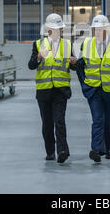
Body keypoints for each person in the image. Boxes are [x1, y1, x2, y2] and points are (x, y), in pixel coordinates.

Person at [76, 15, 110, 163]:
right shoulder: (86, 44)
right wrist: (84, 85)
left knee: (109, 120)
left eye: (101, 29)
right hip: (93, 90)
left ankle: (108, 149)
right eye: (95, 29)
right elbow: (80, 67)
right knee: (97, 119)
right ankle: (95, 149)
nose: (98, 32)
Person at [28, 13, 77, 163]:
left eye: (60, 29)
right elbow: (30, 65)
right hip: (44, 91)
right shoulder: (38, 44)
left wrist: (75, 62)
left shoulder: (67, 45)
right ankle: (50, 151)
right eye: (54, 29)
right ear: (48, 30)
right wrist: (38, 58)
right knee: (47, 124)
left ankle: (62, 150)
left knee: (59, 121)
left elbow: (74, 66)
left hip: (60, 90)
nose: (57, 32)